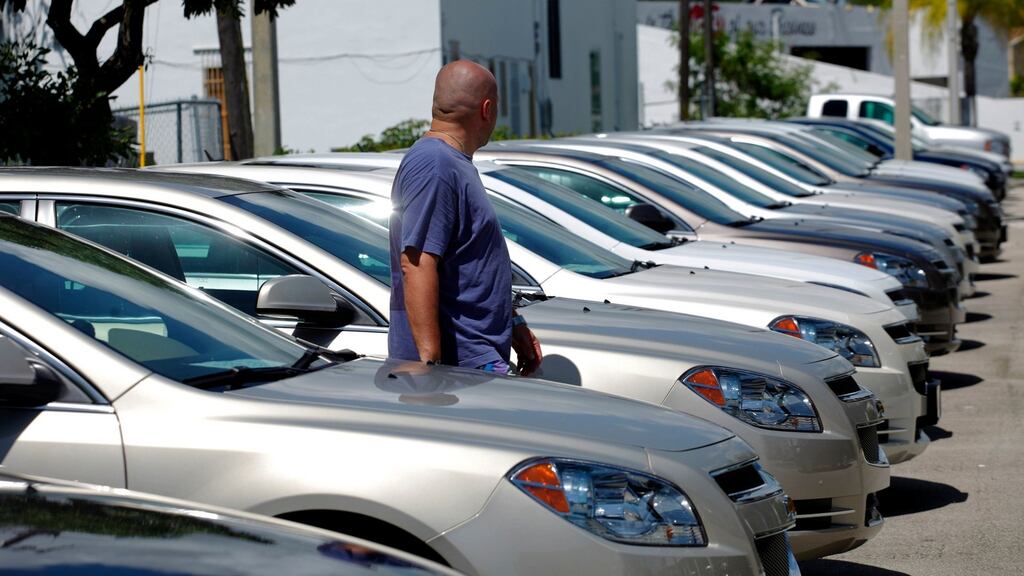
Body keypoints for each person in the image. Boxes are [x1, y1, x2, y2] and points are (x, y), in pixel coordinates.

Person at [388, 60, 543, 376]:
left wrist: (512, 321)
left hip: (473, 360)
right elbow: (416, 263)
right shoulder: (435, 165)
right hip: (463, 370)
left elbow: (468, 265)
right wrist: (430, 366)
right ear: (488, 109)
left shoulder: (448, 163)